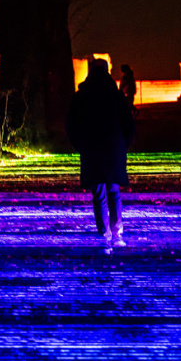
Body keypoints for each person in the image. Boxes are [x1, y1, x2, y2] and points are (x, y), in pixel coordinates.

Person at [66, 59, 135, 248]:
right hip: (113, 148)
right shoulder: (116, 96)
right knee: (113, 191)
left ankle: (104, 231)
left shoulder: (80, 97)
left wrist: (80, 145)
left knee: (98, 193)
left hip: (91, 148)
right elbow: (128, 124)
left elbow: (71, 125)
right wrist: (123, 145)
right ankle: (117, 229)